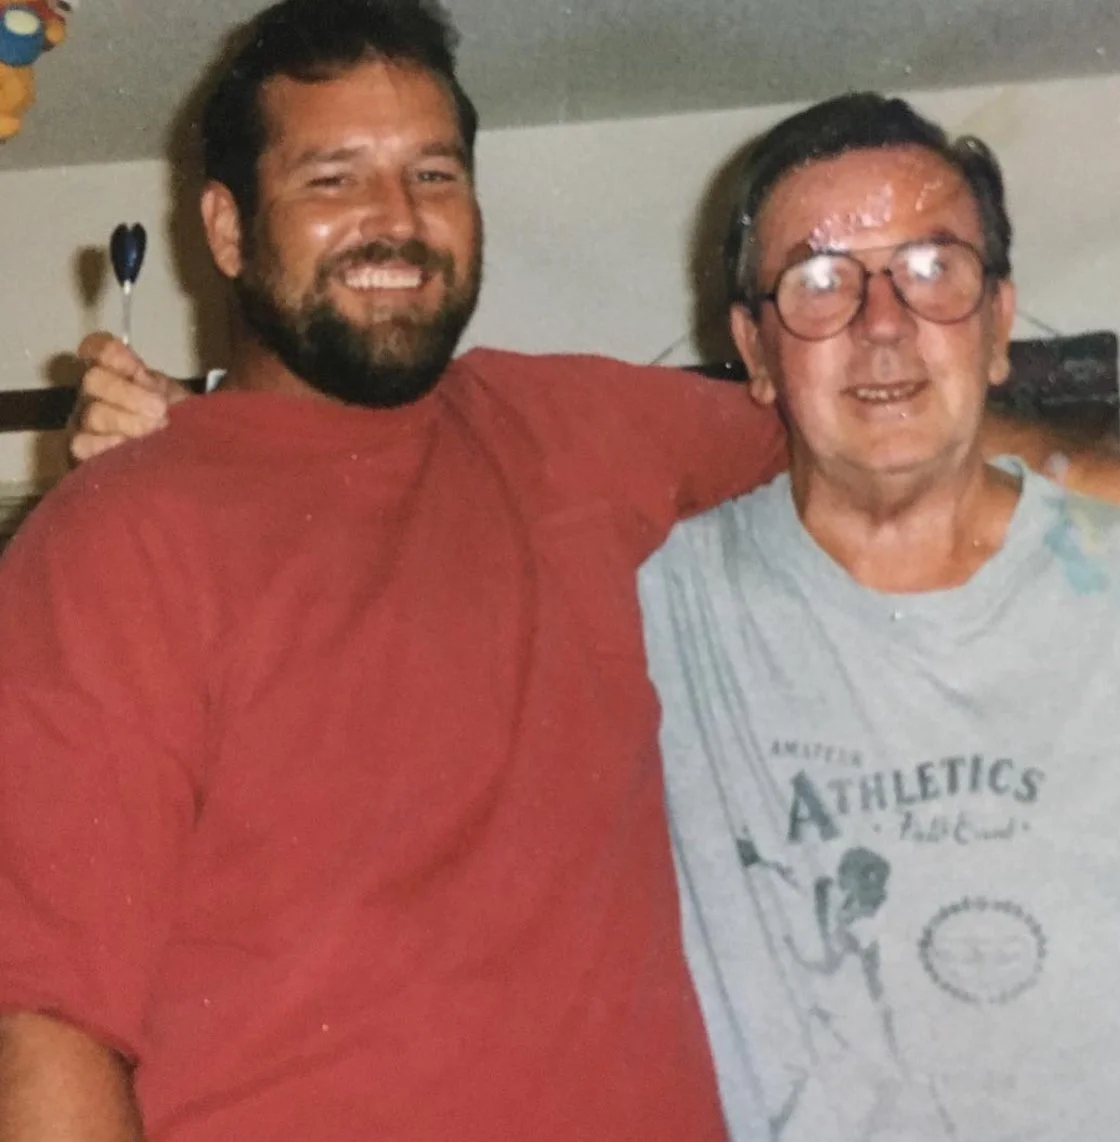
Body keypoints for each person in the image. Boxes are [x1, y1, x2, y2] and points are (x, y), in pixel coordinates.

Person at [0, 2, 788, 1139]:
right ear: (227, 230)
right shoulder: (118, 539)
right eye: (332, 179)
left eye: (433, 174)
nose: (398, 219)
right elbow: (45, 1026)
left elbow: (879, 445)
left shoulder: (571, 429)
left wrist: (1074, 473)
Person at [638, 92, 1120, 1141]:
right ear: (754, 349)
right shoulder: (659, 605)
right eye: (820, 280)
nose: (882, 324)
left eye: (932, 269)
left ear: (998, 323)